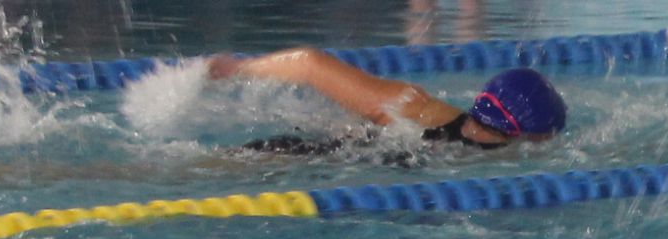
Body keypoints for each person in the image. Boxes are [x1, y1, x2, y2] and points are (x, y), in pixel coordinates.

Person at [208, 48, 567, 156]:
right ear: (536, 134)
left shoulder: (422, 109)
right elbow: (309, 64)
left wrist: (238, 68)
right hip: (292, 156)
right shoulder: (504, 158)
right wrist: (236, 69)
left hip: (304, 157)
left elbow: (309, 63)